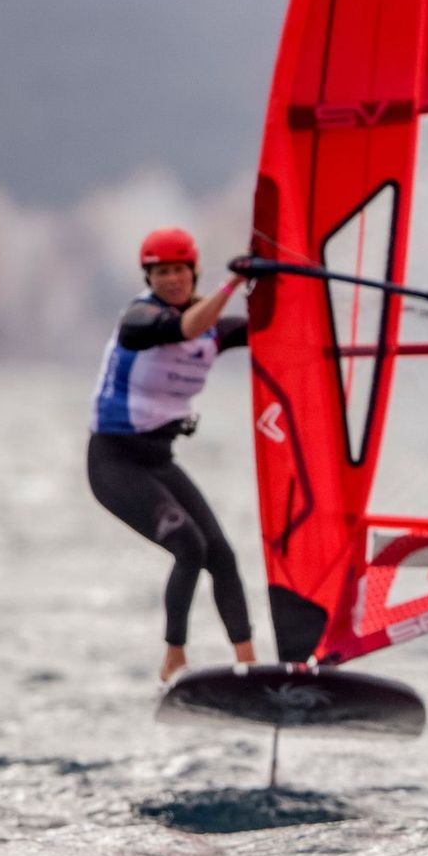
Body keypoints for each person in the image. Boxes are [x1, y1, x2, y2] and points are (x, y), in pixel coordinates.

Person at [87, 227, 255, 683]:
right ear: (149, 276)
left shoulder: (214, 331)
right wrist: (233, 285)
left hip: (158, 462)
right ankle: (174, 659)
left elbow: (271, 329)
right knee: (189, 546)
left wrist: (272, 283)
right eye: (161, 271)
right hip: (113, 464)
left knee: (221, 553)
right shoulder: (138, 320)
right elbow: (184, 327)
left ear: (192, 271)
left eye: (179, 269)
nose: (171, 279)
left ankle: (250, 664)